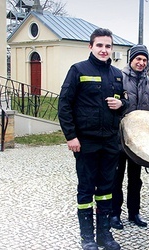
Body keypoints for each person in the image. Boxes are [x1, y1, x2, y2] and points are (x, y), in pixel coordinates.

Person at [58, 28, 128, 250]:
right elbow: (64, 105)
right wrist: (71, 136)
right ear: (90, 46)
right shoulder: (78, 70)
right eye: (99, 45)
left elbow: (122, 101)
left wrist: (122, 104)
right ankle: (87, 237)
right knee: (87, 188)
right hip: (86, 142)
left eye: (108, 46)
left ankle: (104, 236)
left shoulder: (117, 74)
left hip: (109, 141)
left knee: (107, 188)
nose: (104, 50)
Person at [109, 44, 149, 230]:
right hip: (120, 138)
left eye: (144, 60)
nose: (141, 62)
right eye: (138, 59)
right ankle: (115, 214)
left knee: (135, 179)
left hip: (140, 141)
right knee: (117, 178)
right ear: (131, 59)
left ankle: (134, 212)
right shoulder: (119, 78)